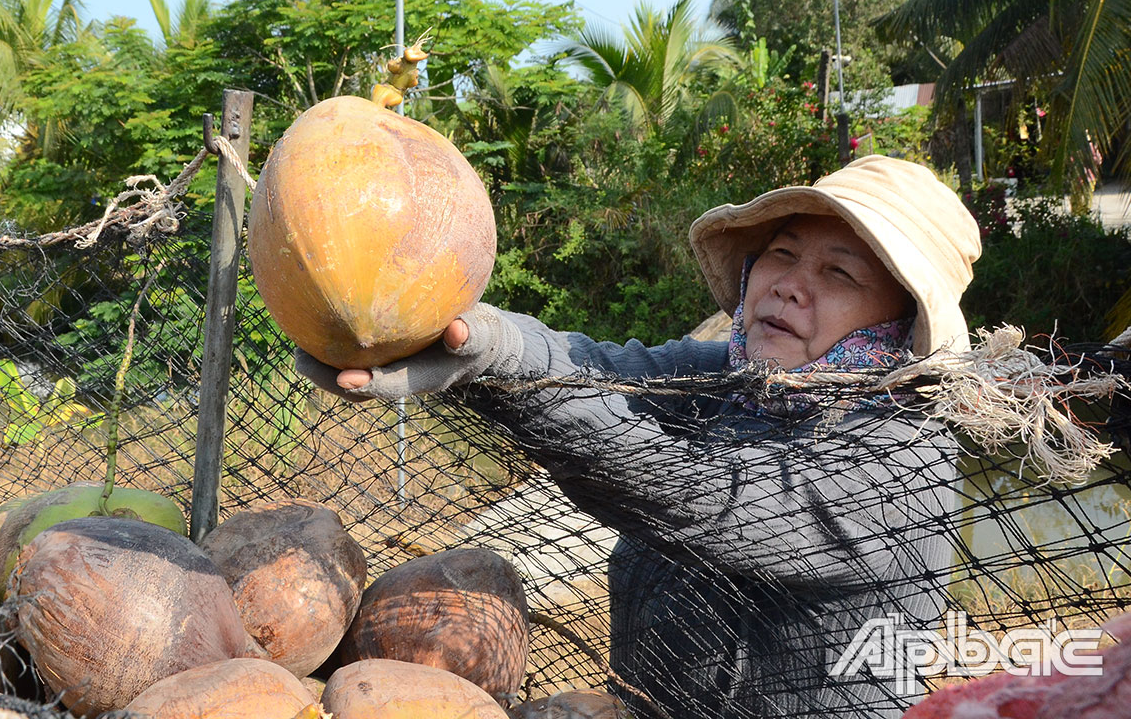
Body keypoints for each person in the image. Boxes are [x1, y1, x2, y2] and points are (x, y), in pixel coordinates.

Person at [296, 155, 983, 718]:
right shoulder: (731, 377)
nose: (790, 286)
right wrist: (471, 337)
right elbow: (593, 368)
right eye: (782, 253)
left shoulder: (901, 455)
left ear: (900, 322)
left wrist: (493, 366)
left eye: (840, 272)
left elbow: (699, 494)